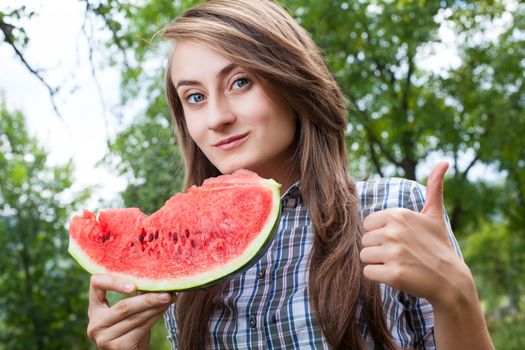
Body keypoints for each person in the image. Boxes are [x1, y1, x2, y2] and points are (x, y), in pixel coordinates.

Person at [86, 0, 495, 349]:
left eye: (240, 82)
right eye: (195, 97)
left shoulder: (391, 208)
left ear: (292, 81)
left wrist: (457, 296)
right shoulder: (181, 260)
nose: (217, 118)